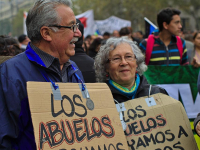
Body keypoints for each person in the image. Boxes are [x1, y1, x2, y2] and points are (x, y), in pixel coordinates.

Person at [0, 0, 83, 149]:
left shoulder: (74, 69)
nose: (78, 33)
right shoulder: (11, 74)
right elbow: (4, 139)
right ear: (46, 33)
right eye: (72, 26)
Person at [94, 37, 168, 103]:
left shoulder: (157, 93)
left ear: (137, 62)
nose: (124, 62)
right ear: (106, 66)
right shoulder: (99, 101)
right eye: (116, 58)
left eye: (128, 56)